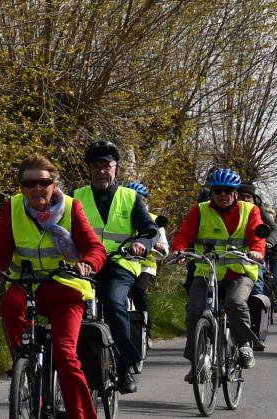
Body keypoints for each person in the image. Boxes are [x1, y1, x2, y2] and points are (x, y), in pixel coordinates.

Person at [0, 155, 106, 419]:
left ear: (53, 183)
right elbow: (0, 252)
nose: (37, 188)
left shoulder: (72, 207)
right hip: (27, 284)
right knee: (10, 306)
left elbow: (95, 248)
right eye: (29, 183)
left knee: (65, 355)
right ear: (21, 187)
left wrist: (86, 264)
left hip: (65, 287)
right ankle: (24, 365)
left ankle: (81, 415)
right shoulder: (12, 207)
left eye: (44, 182)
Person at [74, 141, 159, 392]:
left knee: (113, 303)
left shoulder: (130, 197)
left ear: (116, 169)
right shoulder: (76, 196)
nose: (102, 171)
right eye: (96, 166)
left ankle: (124, 368)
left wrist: (143, 242)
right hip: (85, 266)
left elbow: (150, 229)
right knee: (69, 307)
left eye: (107, 166)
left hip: (119, 265)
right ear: (89, 169)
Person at [168, 167, 266, 375]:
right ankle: (197, 362)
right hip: (206, 271)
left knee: (235, 302)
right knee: (195, 310)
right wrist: (179, 251)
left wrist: (257, 251)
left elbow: (257, 234)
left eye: (228, 191)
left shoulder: (249, 210)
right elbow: (184, 233)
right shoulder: (199, 210)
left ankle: (244, 345)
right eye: (218, 191)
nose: (223, 195)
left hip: (239, 271)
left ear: (236, 193)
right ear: (211, 192)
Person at [122, 180, 167, 371]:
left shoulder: (154, 219)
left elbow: (164, 250)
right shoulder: (121, 215)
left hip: (144, 267)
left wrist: (155, 247)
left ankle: (146, 329)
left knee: (139, 291)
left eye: (140, 198)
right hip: (124, 264)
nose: (137, 200)